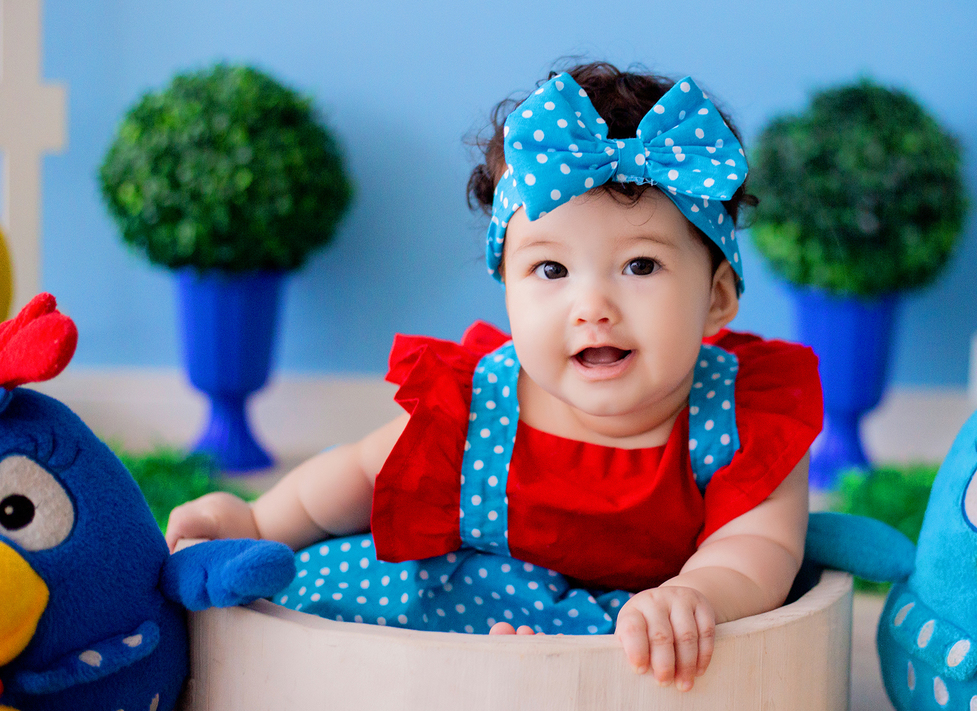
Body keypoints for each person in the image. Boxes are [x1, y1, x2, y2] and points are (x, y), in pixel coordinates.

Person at [165, 62, 822, 692]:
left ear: (717, 298)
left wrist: (692, 596)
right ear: (505, 288)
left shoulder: (745, 415)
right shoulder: (480, 407)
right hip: (474, 607)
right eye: (551, 271)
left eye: (641, 266)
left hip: (635, 640)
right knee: (318, 599)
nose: (592, 306)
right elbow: (358, 478)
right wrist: (255, 522)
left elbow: (757, 547)